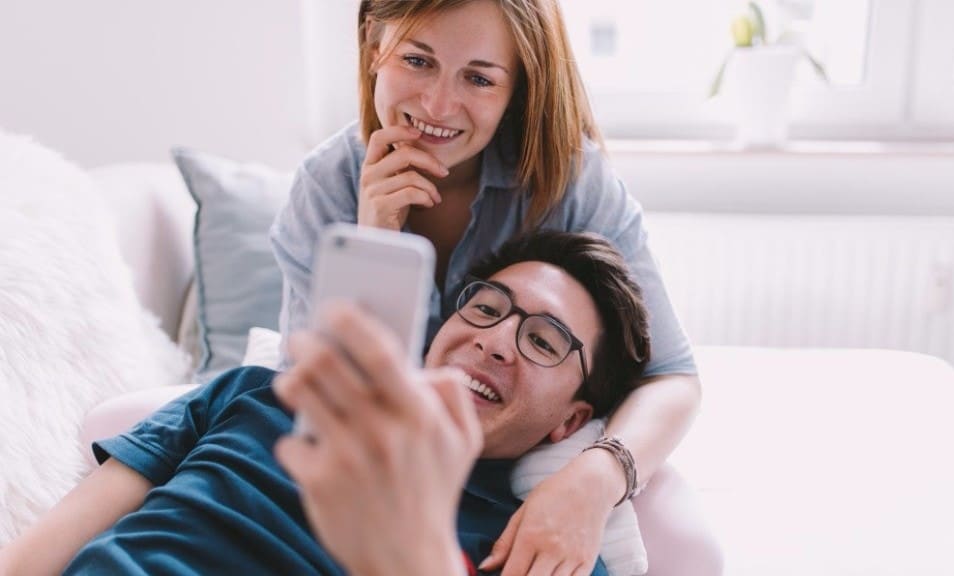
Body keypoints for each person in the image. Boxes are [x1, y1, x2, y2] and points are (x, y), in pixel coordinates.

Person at [270, 1, 710, 571]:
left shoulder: (573, 181)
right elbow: (329, 414)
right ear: (374, 46)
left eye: (478, 78)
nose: (437, 105)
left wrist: (593, 480)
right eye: (417, 59)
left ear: (517, 91)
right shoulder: (326, 185)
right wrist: (375, 240)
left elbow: (673, 377)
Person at [0, 231, 650, 575]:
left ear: (570, 421)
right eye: (485, 308)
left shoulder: (545, 549)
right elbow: (38, 554)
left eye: (543, 340)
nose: (495, 341)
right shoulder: (252, 392)